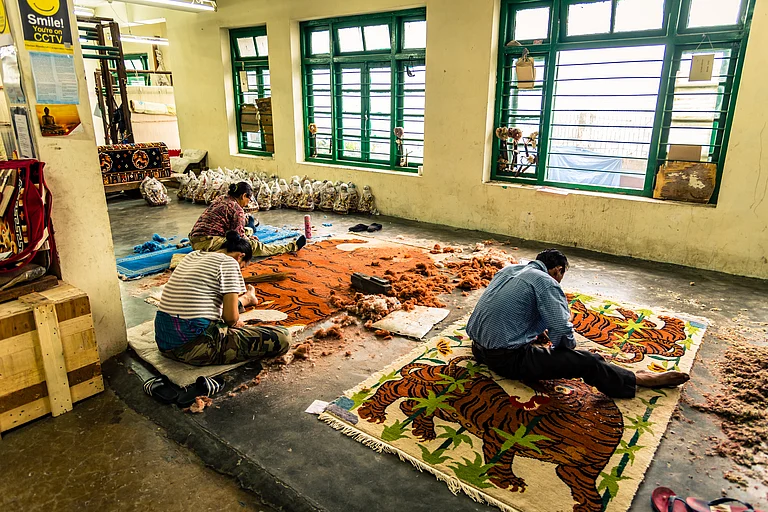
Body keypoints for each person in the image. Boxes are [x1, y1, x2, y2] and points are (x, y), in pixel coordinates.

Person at [466, 248, 689, 399]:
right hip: (505, 360)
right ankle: (637, 379)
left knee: (539, 325)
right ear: (557, 270)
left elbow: (510, 307)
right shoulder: (546, 281)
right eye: (562, 275)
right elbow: (563, 332)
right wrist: (565, 355)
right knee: (587, 361)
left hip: (477, 348)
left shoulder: (508, 269)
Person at [155, 231, 290, 365]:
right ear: (240, 256)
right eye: (242, 267)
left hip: (163, 340)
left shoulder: (192, 255)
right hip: (191, 347)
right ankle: (247, 299)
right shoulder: (229, 263)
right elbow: (230, 319)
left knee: (218, 308)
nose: (240, 270)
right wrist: (235, 324)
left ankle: (247, 298)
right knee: (283, 337)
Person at [190, 181, 306, 257]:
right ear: (243, 195)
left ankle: (250, 227)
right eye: (248, 199)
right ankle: (291, 246)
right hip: (208, 242)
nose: (248, 202)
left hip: (195, 238)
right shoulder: (237, 209)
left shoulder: (222, 198)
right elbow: (238, 237)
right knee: (252, 246)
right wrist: (248, 240)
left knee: (247, 231)